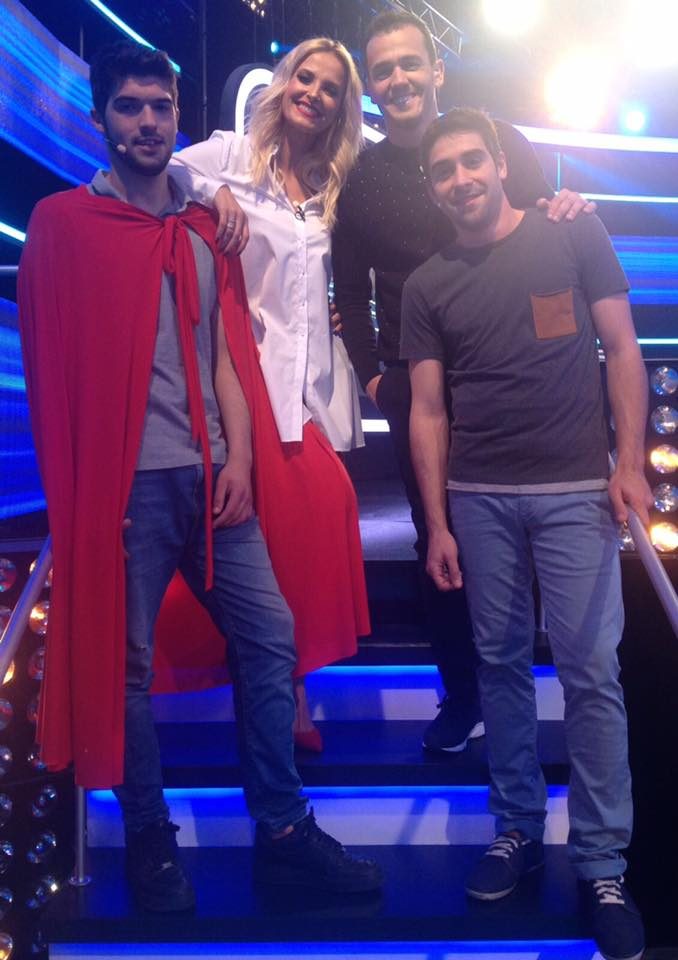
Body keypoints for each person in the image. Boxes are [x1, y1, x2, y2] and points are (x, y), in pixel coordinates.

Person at [18, 40, 382, 913]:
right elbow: (49, 371)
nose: (148, 123)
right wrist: (84, 497)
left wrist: (242, 458)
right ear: (101, 117)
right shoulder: (66, 225)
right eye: (130, 107)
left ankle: (283, 832)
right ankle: (151, 838)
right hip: (128, 493)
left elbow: (225, 353)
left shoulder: (198, 227)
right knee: (128, 666)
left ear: (177, 116)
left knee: (271, 639)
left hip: (216, 481)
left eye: (161, 107)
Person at [402, 106, 650, 960]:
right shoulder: (427, 283)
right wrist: (437, 522)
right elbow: (426, 411)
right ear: (432, 186)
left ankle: (602, 862)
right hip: (479, 499)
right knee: (501, 667)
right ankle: (516, 828)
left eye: (473, 161)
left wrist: (629, 463)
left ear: (501, 163)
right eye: (444, 170)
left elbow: (623, 349)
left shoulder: (573, 233)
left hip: (578, 491)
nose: (461, 179)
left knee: (591, 674)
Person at [332, 10, 596, 753]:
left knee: (521, 530)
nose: (399, 79)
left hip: (506, 374)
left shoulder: (493, 140)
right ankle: (463, 694)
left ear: (437, 70)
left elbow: (542, 225)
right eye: (384, 70)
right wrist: (373, 380)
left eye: (410, 63)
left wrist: (569, 204)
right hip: (417, 388)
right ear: (371, 86)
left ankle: (528, 687)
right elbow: (349, 291)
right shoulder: (361, 179)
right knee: (437, 542)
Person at [168, 38, 369, 751]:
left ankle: (288, 686)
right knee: (268, 535)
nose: (313, 93)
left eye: (329, 87)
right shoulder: (232, 154)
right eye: (304, 78)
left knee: (316, 518)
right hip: (241, 371)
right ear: (284, 84)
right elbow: (166, 167)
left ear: (342, 107)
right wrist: (214, 192)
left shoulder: (332, 185)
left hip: (308, 385)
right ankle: (285, 697)